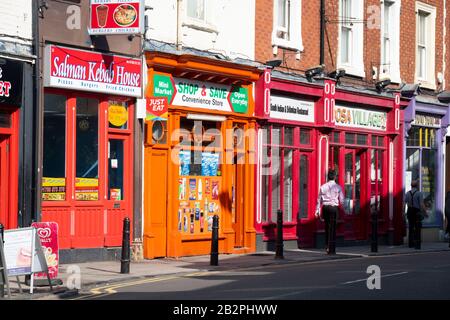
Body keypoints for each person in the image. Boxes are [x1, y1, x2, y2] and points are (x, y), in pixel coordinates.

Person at [315, 170, 344, 254]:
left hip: (325, 207)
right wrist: (344, 208)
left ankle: (327, 246)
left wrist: (317, 210)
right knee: (333, 227)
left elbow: (318, 200)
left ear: (328, 177)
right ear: (335, 177)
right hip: (334, 208)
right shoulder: (338, 187)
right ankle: (332, 246)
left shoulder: (322, 186)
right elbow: (342, 200)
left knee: (327, 227)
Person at [405, 180, 427, 249]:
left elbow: (404, 204)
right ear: (417, 186)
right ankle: (417, 242)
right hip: (416, 211)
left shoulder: (407, 193)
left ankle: (410, 244)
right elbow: (421, 204)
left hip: (410, 210)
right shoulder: (419, 193)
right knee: (417, 227)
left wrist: (403, 212)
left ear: (411, 186)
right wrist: (425, 212)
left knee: (411, 227)